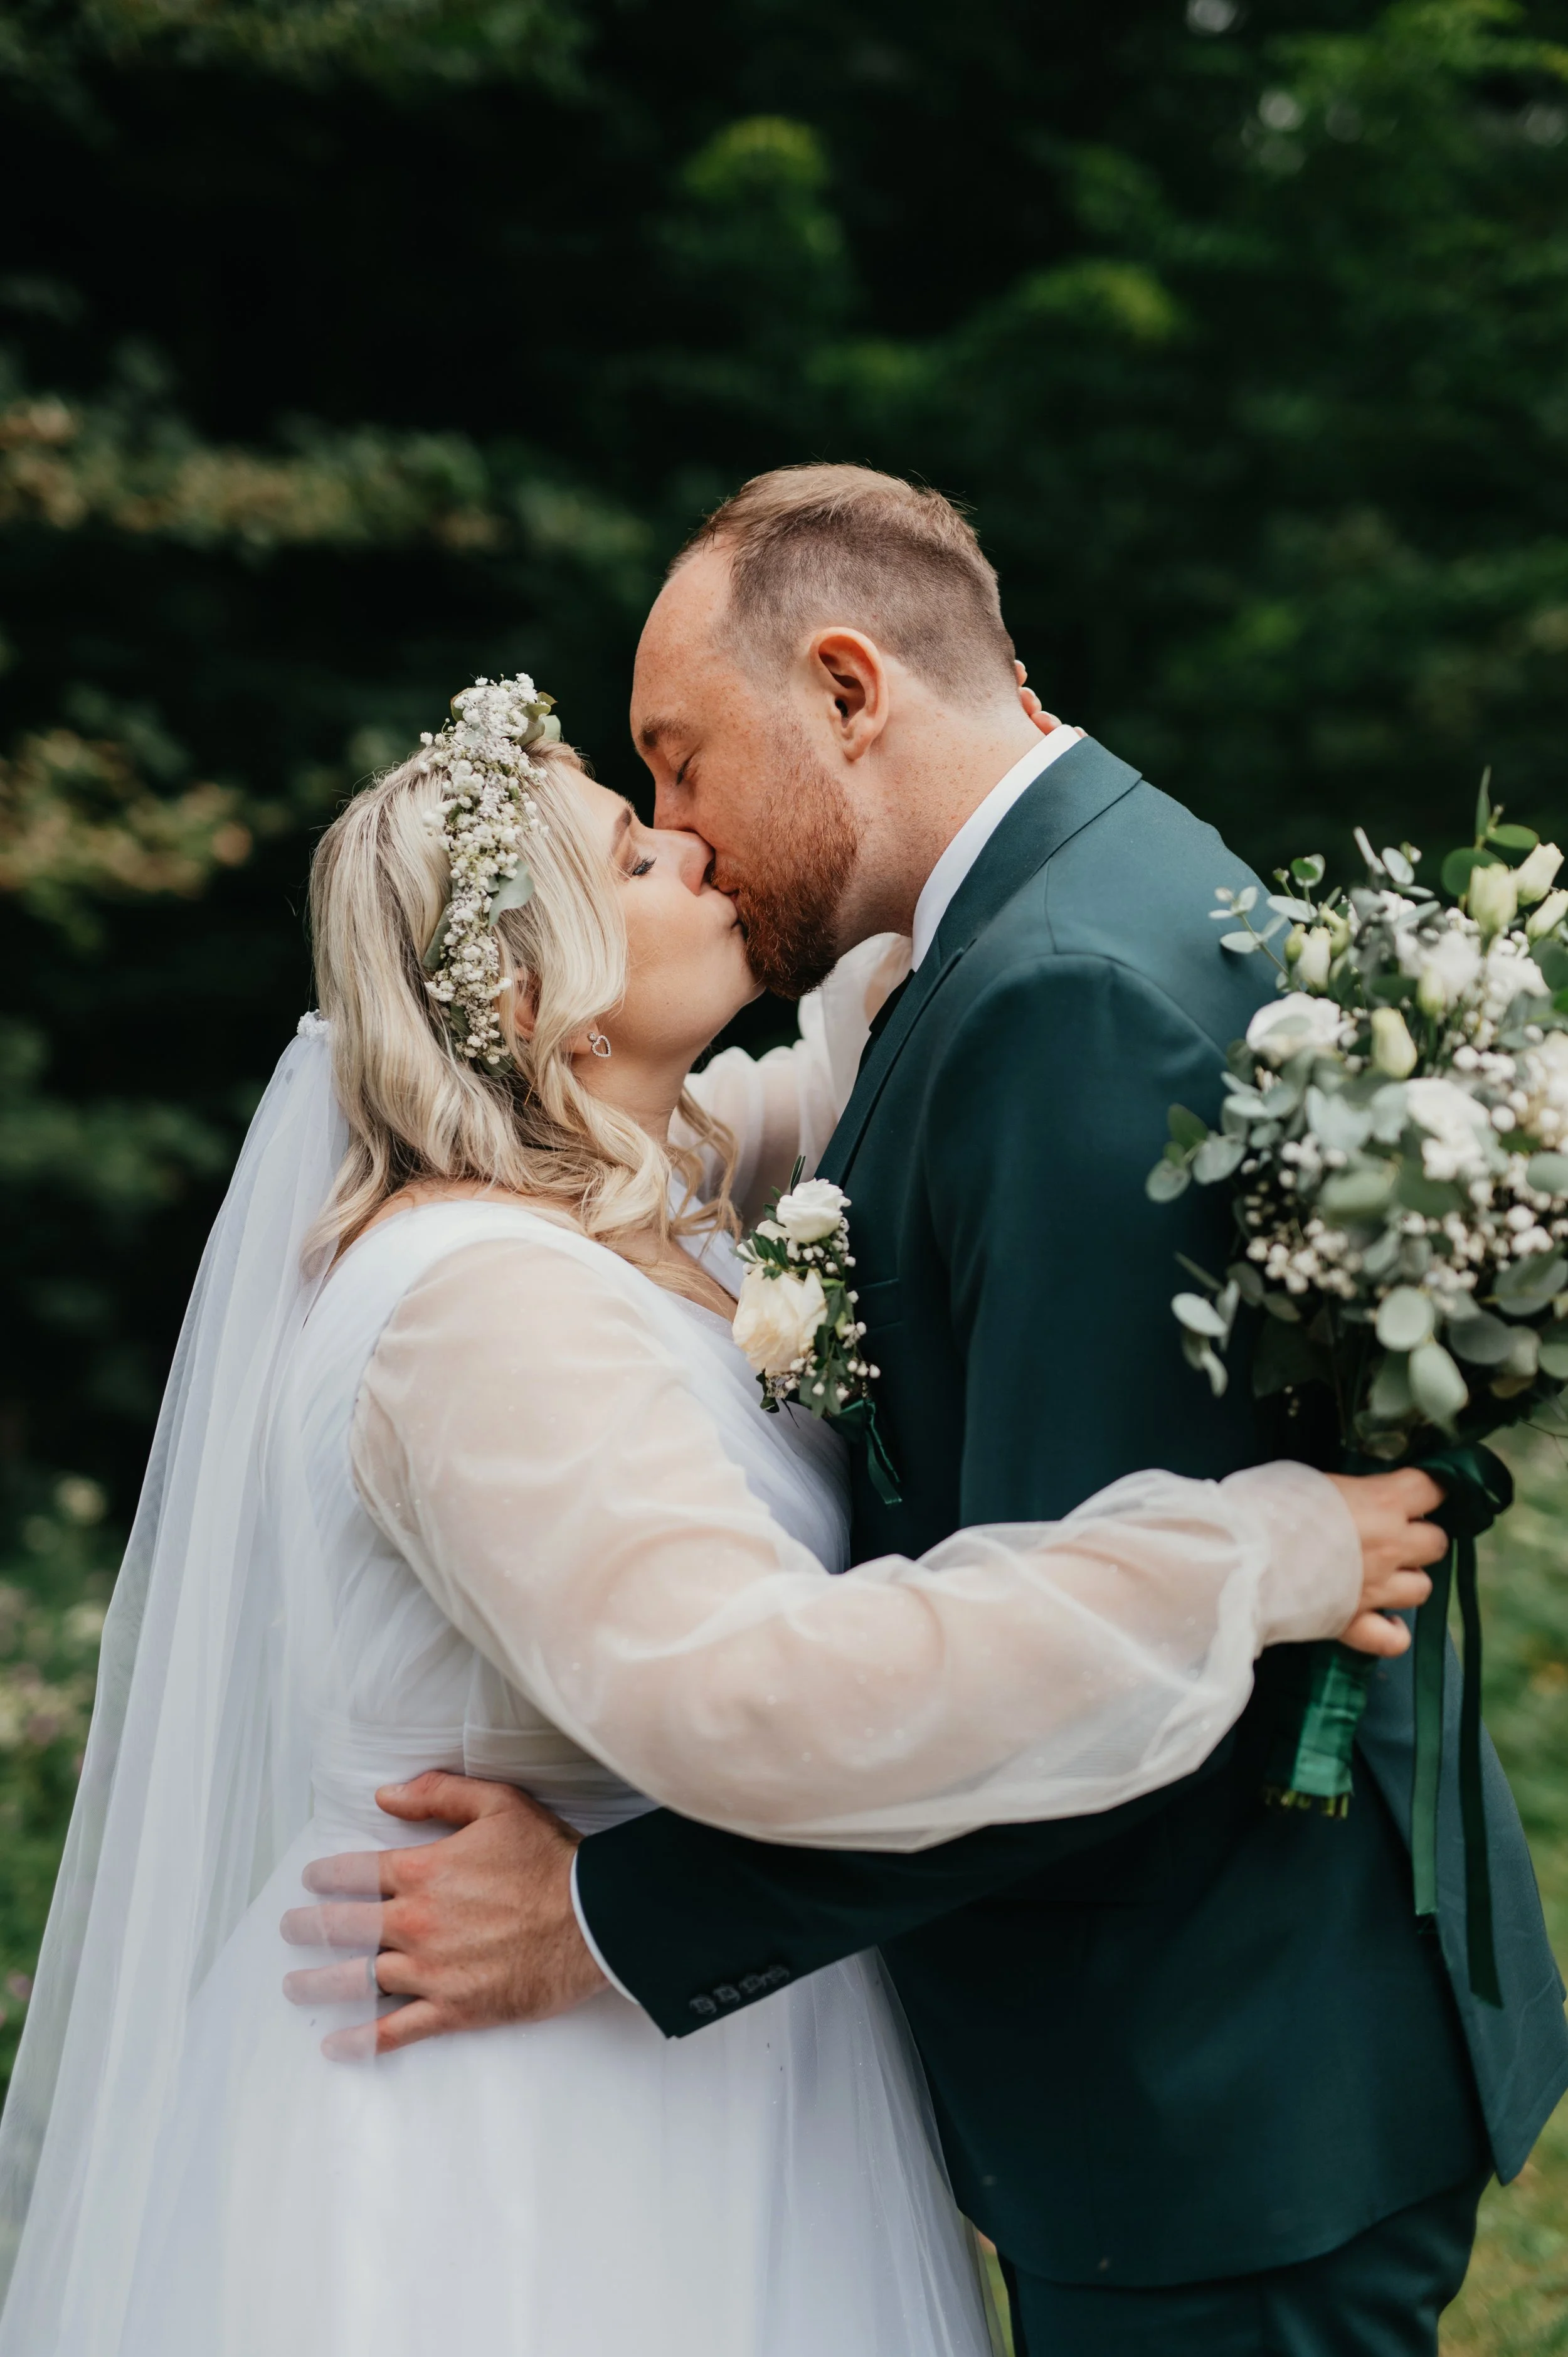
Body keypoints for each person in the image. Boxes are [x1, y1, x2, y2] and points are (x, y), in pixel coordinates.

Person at [0, 664, 1440, 2357]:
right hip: (518, 2120)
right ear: (543, 990)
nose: (689, 847)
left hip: (690, 2056)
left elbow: (902, 1023)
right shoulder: (483, 1312)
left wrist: (957, 754)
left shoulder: (651, 1185)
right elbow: (766, 1690)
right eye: (633, 854)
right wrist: (1249, 1555)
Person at [313, 468, 1568, 2357]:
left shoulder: (1061, 996)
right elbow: (708, 1145)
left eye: (680, 763)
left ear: (845, 690)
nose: (683, 833)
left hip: (1207, 2093)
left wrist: (606, 1915)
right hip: (1193, 2064)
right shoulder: (1012, 924)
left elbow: (1069, 1653)